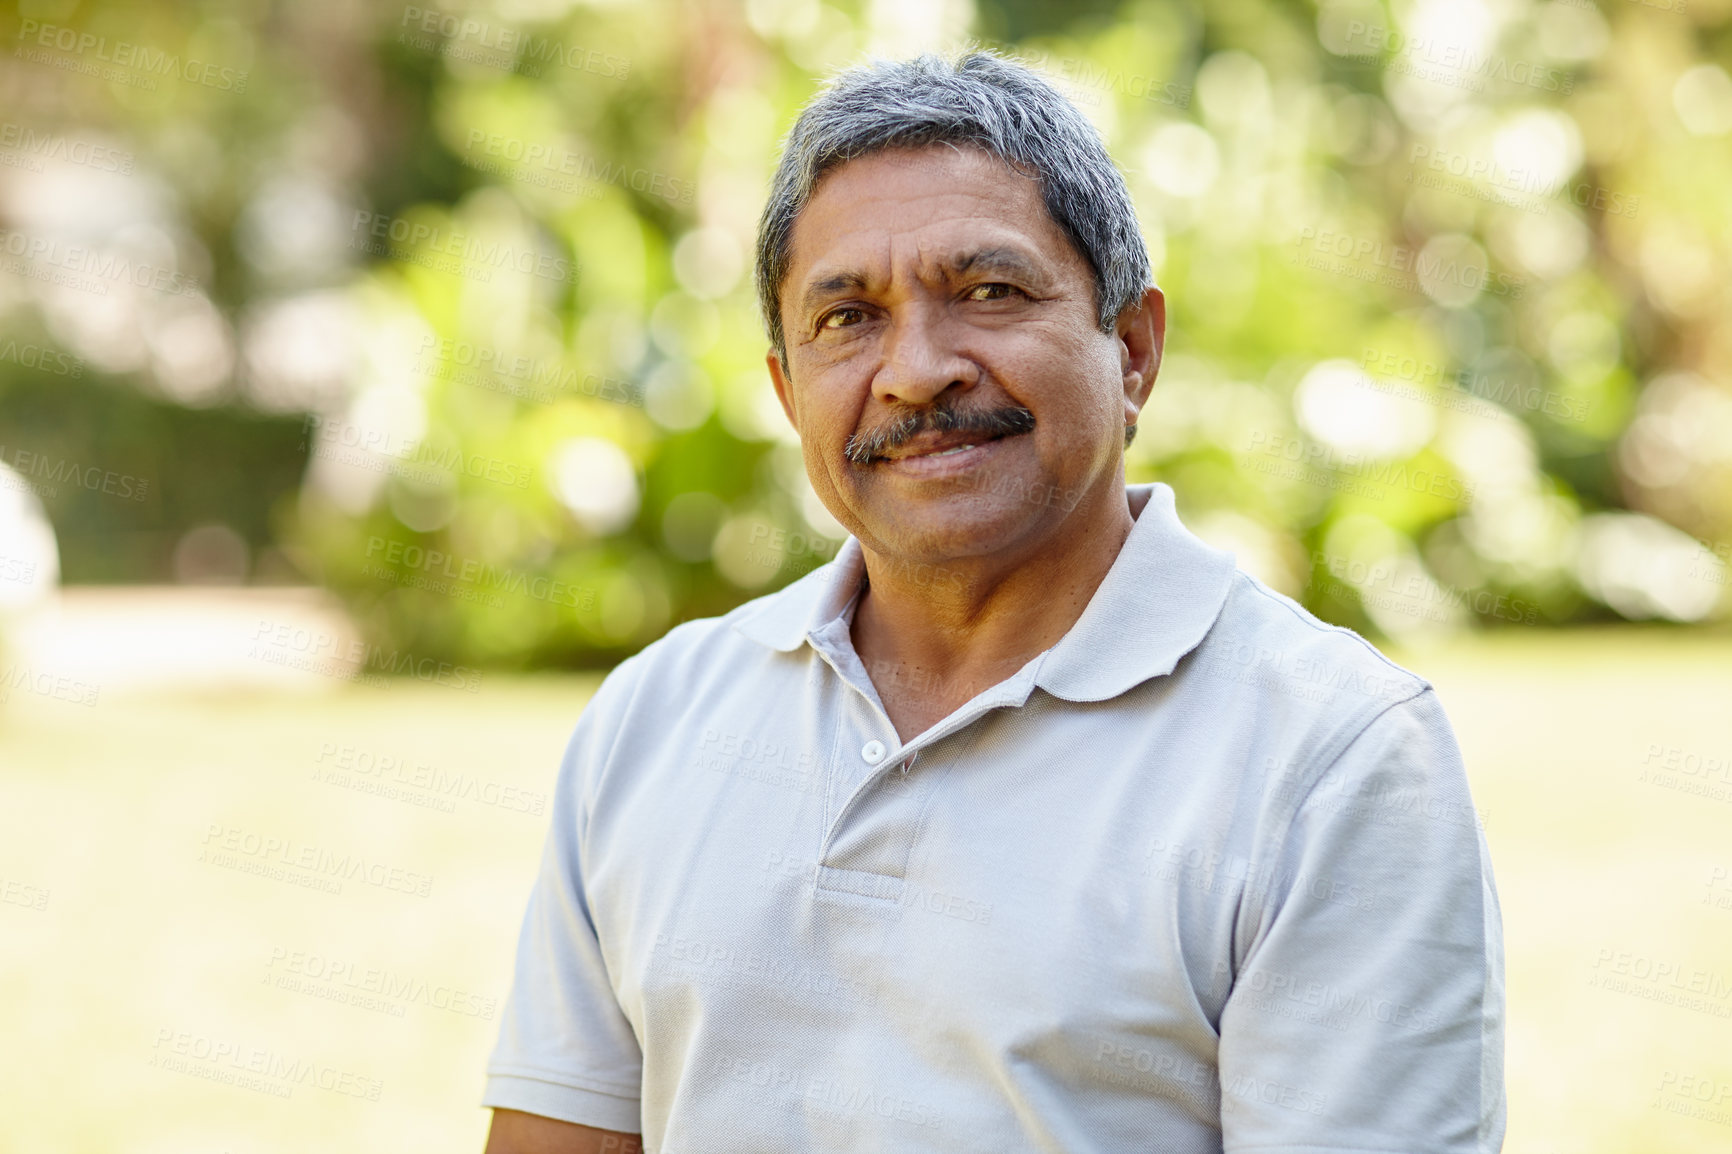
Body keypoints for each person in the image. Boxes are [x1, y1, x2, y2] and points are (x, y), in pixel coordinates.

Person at [481, 49, 1505, 1154]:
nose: (916, 370)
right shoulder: (654, 717)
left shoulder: (1331, 756)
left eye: (988, 292)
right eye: (846, 317)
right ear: (786, 391)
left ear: (1133, 349)